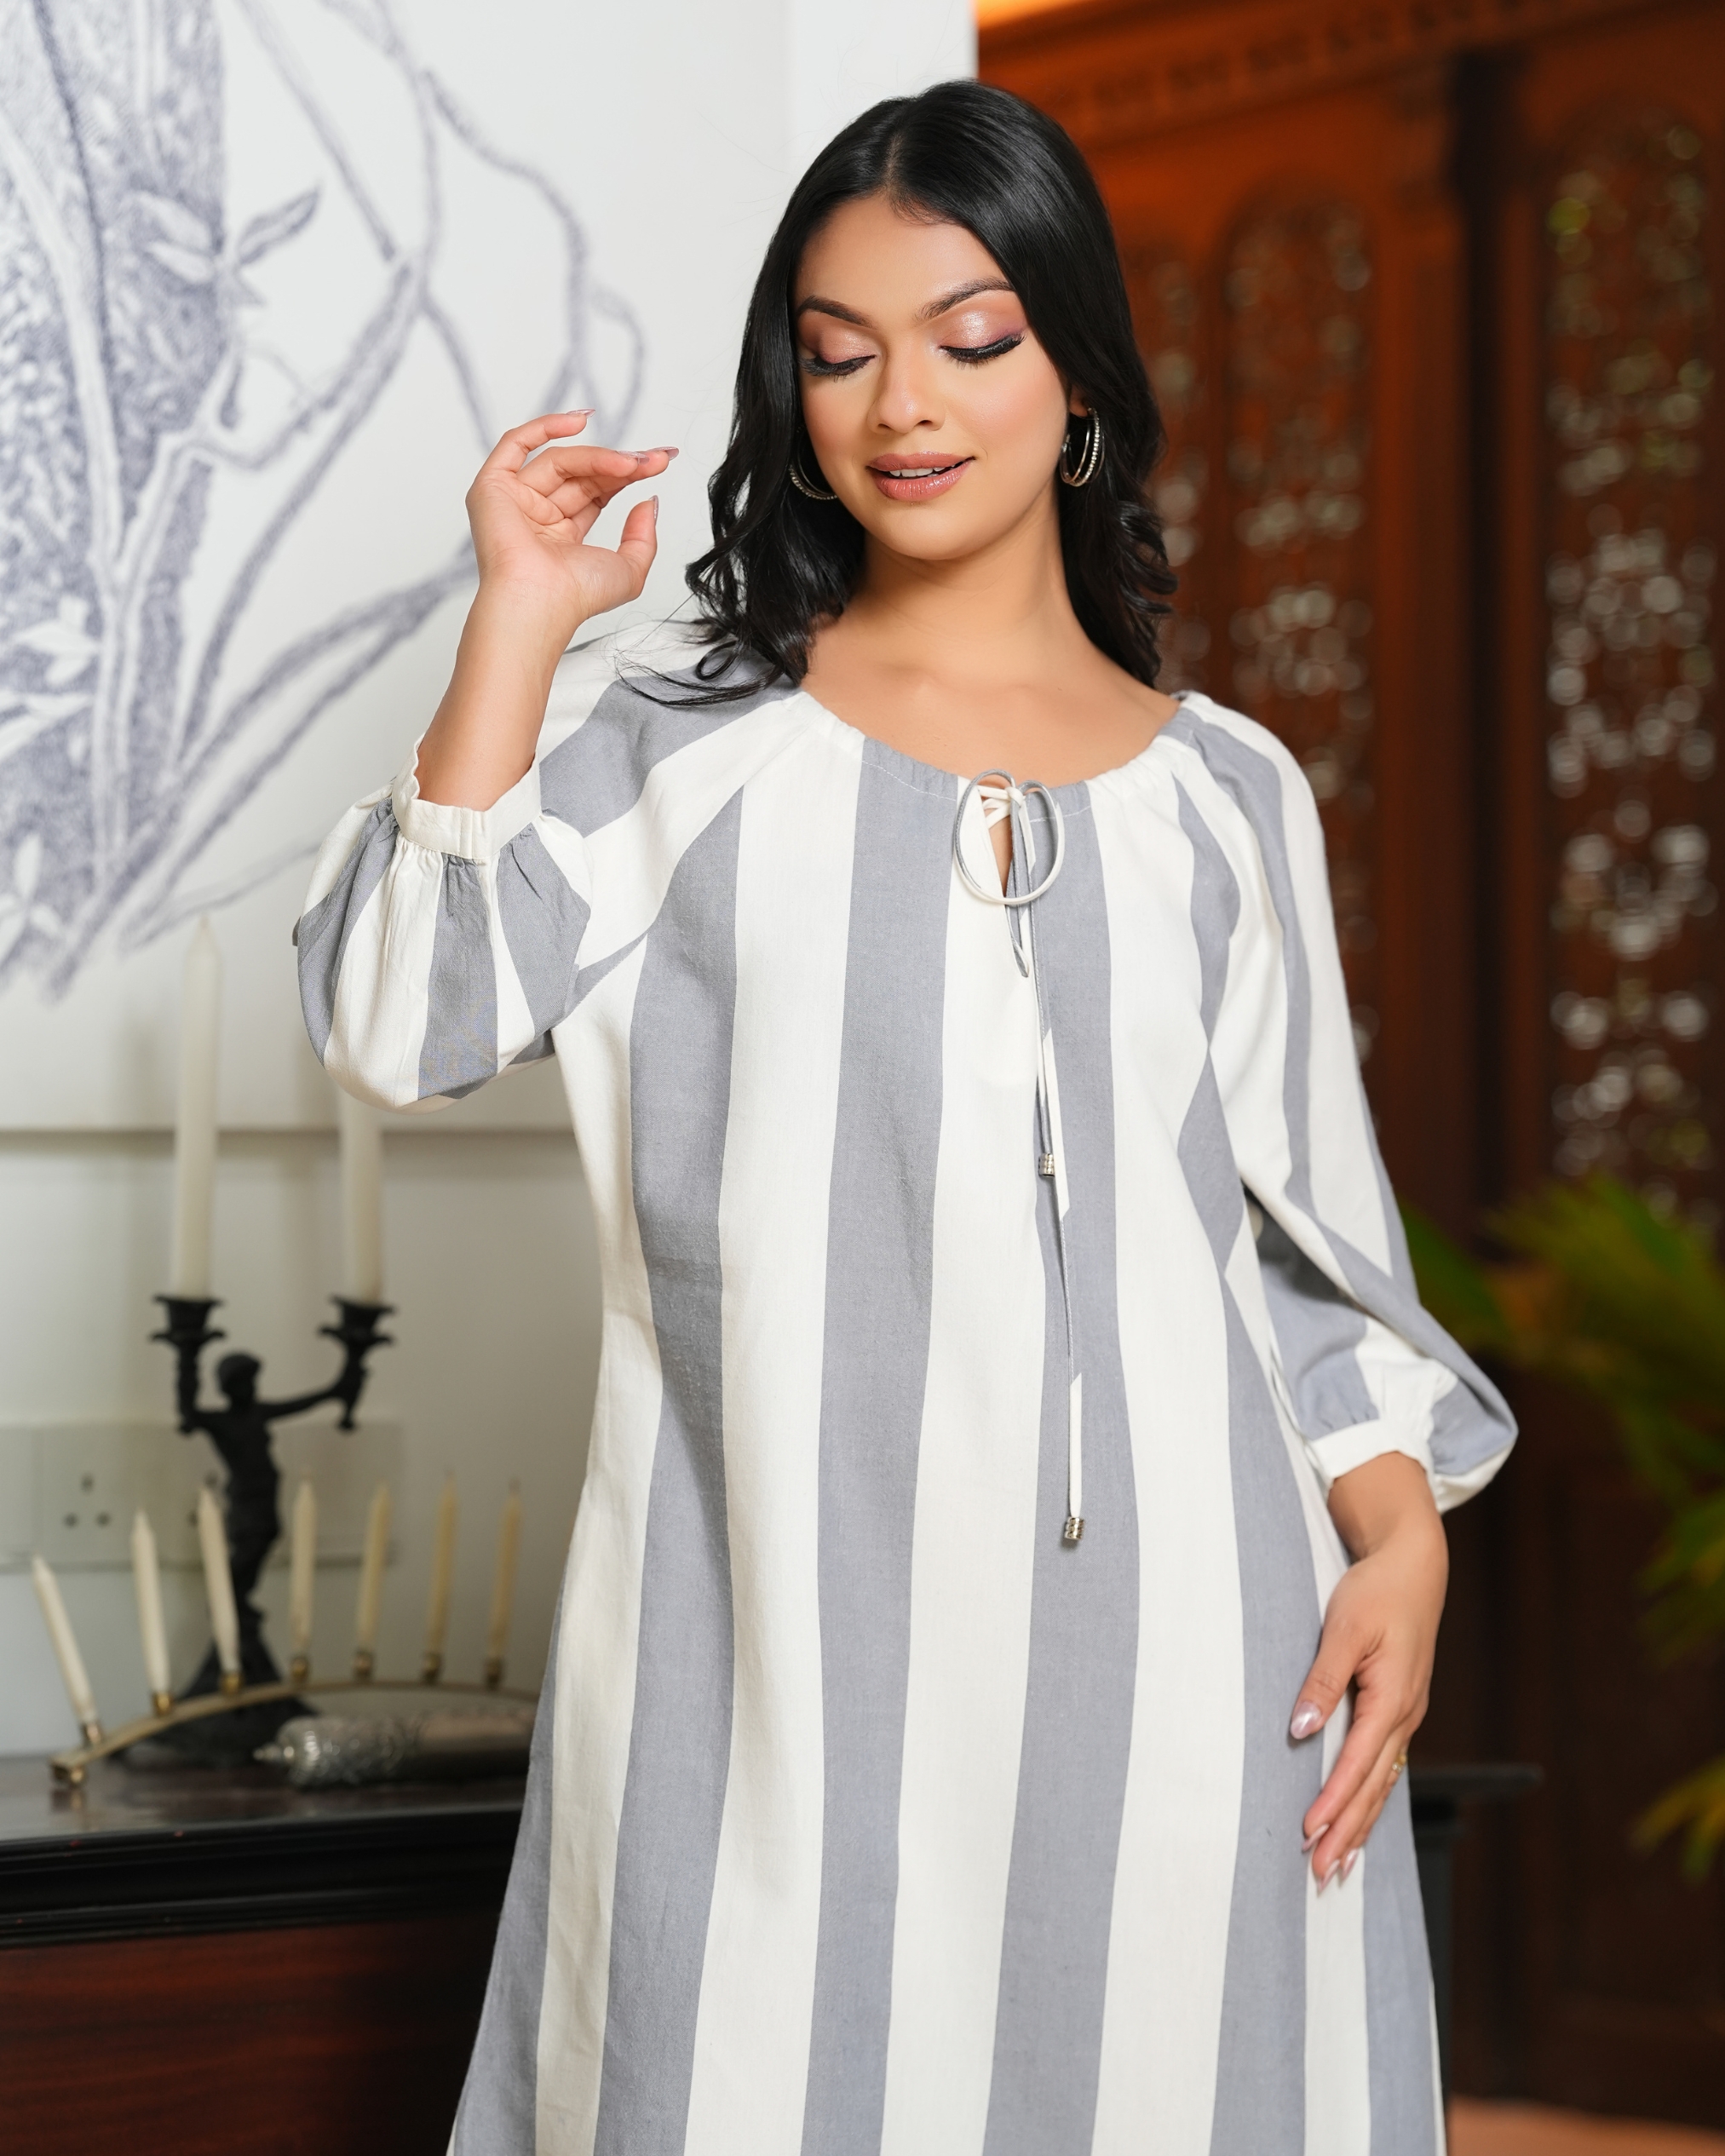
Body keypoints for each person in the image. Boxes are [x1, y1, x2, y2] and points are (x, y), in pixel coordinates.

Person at [298, 79, 1512, 2156]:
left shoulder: (1227, 795)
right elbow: (399, 1022)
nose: (900, 405)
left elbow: (1305, 1254)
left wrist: (1398, 1542)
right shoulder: (678, 749)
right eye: (837, 350)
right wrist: (516, 618)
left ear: (1076, 371)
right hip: (769, 1663)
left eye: (969, 337)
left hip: (1196, 1681)